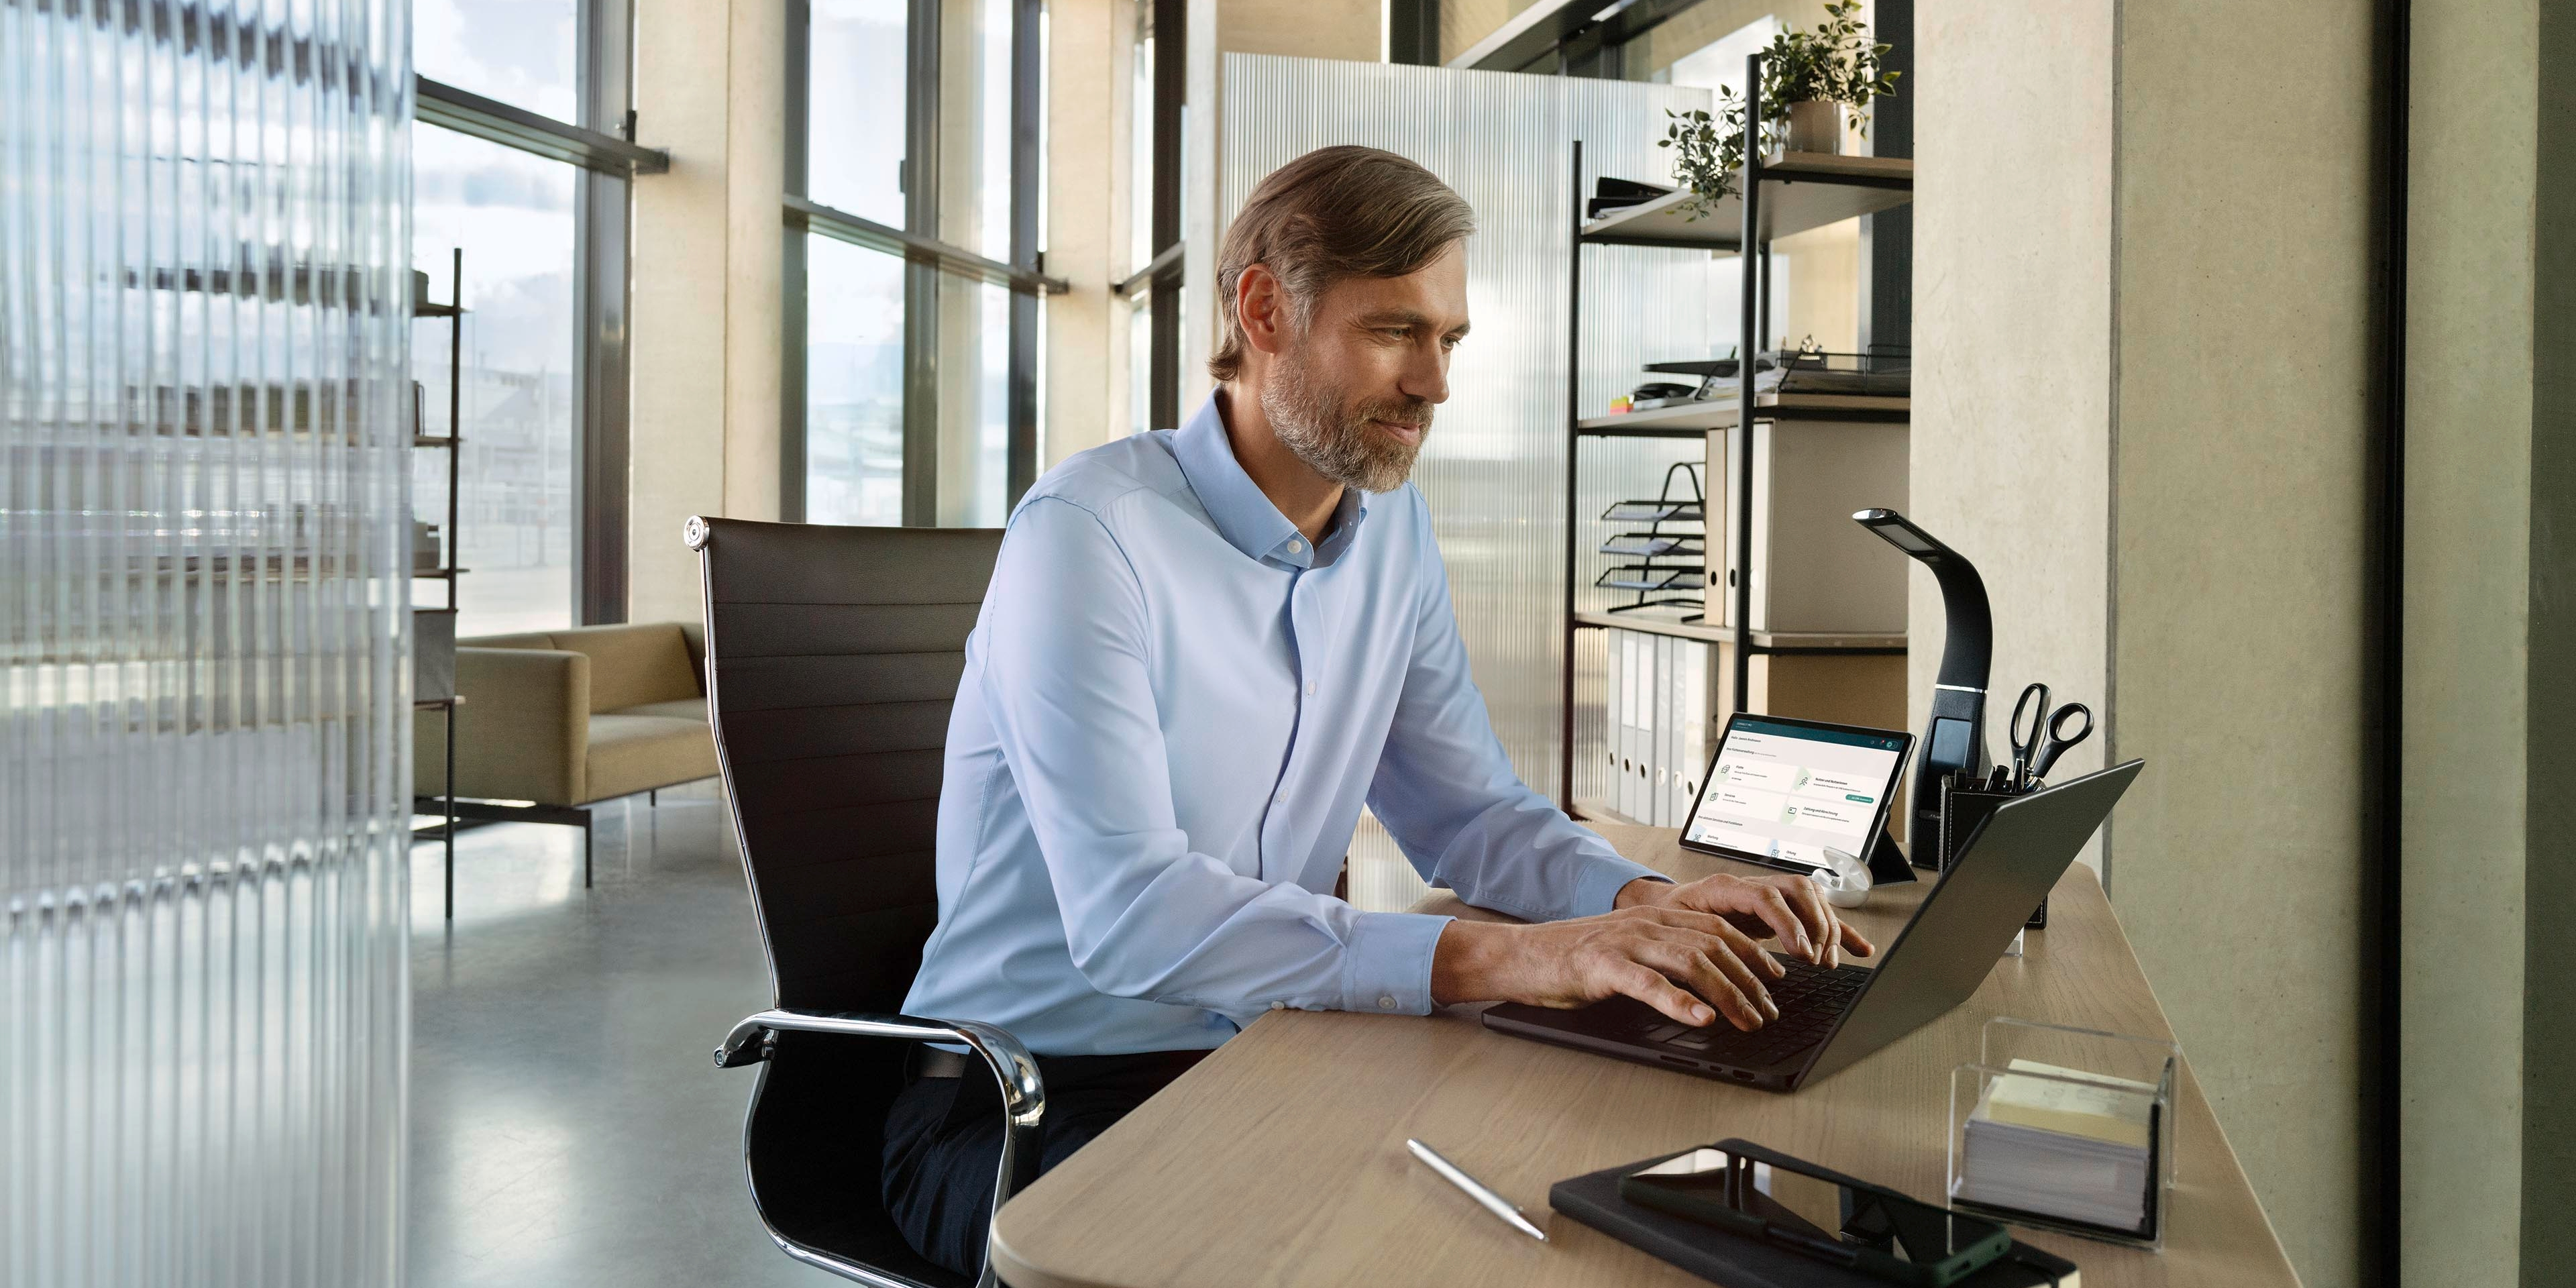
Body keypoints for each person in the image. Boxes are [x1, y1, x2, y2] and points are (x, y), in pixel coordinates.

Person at [881, 144, 1874, 1276]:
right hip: (1022, 1106)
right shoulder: (1088, 535)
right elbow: (1132, 918)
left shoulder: (1390, 531)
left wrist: (1646, 904)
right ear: (1264, 311)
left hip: (1264, 1058)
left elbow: (1470, 816)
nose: (1434, 384)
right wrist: (1519, 958)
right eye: (1396, 331)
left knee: (1566, 1205)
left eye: (1449, 340)